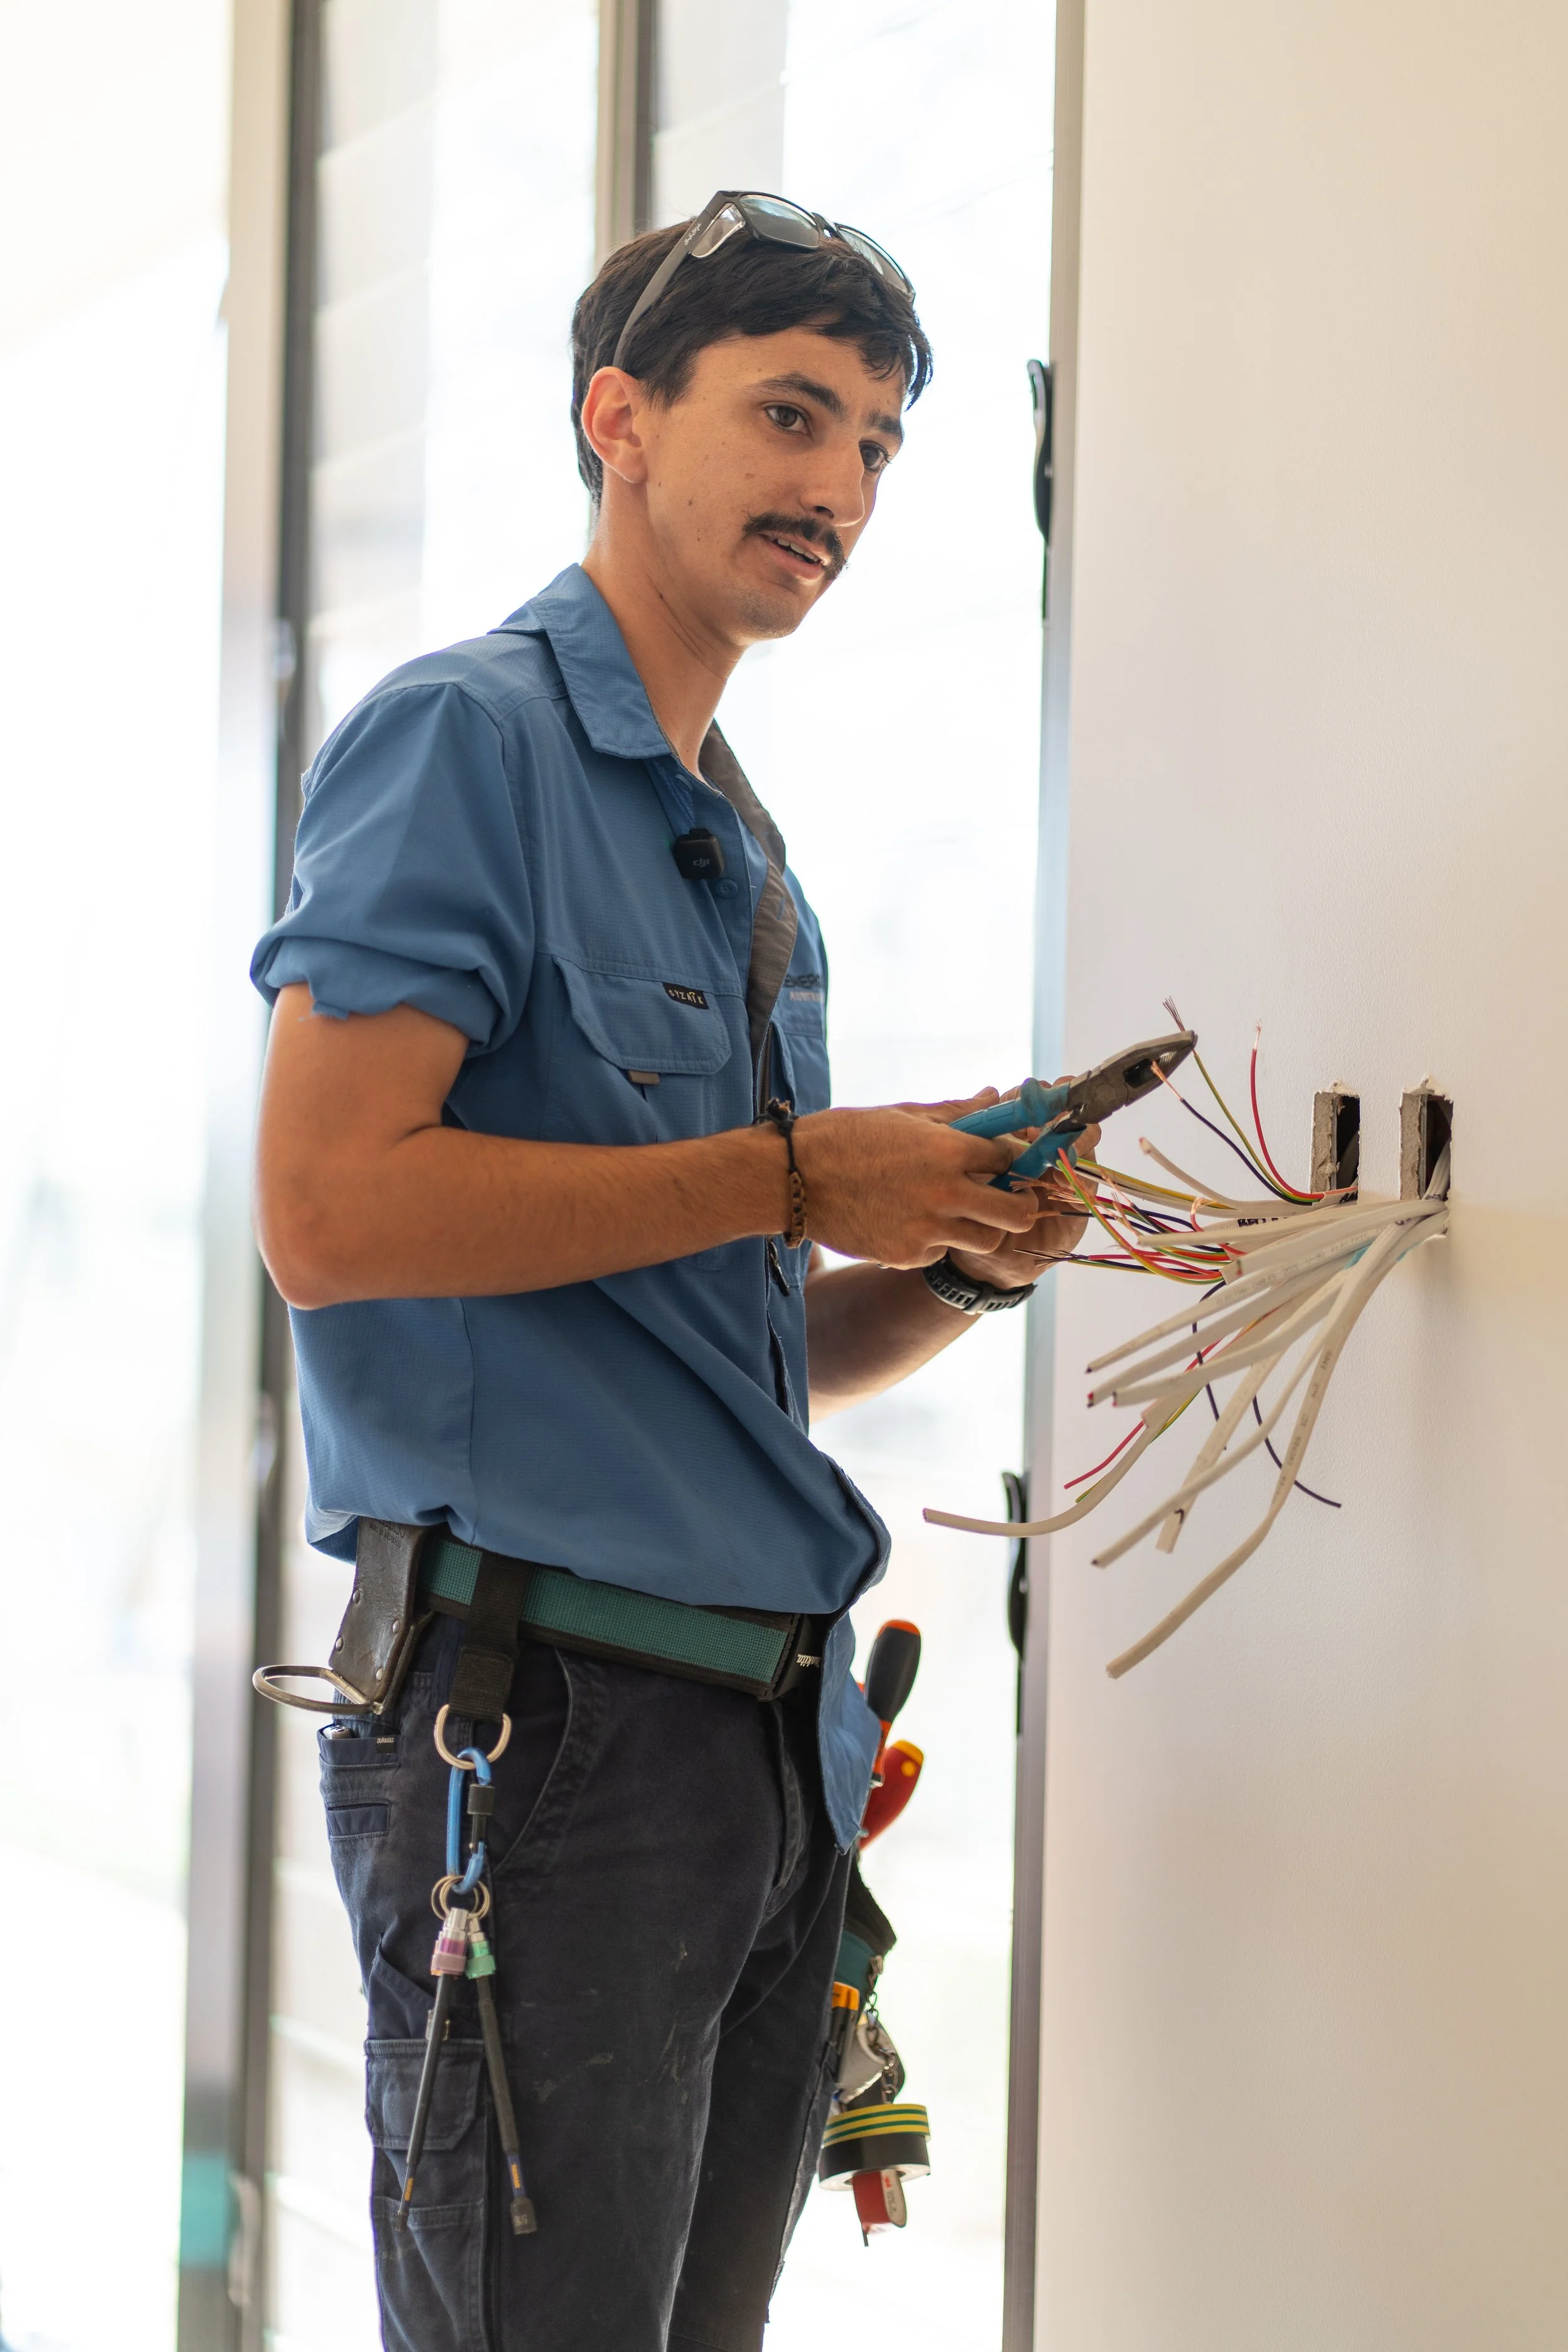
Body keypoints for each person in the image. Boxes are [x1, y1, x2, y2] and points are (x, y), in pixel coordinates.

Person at [252, 191, 1091, 2352]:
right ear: (618, 419)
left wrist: (962, 1253)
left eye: (881, 444)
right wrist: (806, 1164)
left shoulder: (738, 849)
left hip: (753, 1749)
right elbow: (332, 1213)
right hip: (538, 1745)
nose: (837, 485)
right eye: (790, 414)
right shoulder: (473, 742)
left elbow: (714, 1354)